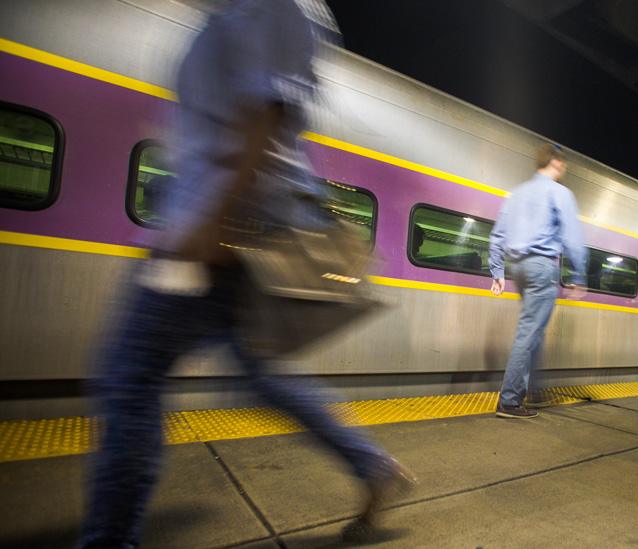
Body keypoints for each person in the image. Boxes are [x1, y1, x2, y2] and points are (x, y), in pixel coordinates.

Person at [78, 2, 413, 547]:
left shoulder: (273, 4)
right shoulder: (242, 10)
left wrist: (214, 224)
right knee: (259, 372)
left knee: (130, 375)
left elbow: (269, 112)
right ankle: (372, 465)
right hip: (218, 222)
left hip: (224, 227)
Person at [488, 144, 588, 419]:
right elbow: (573, 239)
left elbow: (497, 236)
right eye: (564, 164)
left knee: (535, 329)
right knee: (529, 331)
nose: (564, 169)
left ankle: (534, 390)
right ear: (556, 162)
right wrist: (579, 276)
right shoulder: (560, 193)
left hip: (517, 266)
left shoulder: (516, 194)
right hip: (542, 266)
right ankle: (509, 400)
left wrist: (497, 272)